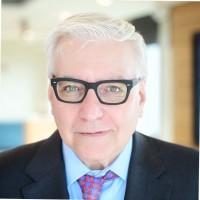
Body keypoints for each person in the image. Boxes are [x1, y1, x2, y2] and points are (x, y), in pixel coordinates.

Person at [0, 13, 198, 200]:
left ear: (141, 97)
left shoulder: (193, 172)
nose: (90, 113)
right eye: (71, 87)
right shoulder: (4, 174)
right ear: (52, 97)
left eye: (113, 88)